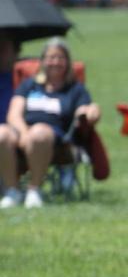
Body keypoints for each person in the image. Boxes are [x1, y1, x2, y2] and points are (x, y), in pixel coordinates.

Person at [1, 38, 100, 209]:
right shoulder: (29, 85)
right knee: (1, 133)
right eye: (50, 57)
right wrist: (24, 133)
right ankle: (12, 190)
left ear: (68, 62)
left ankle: (34, 190)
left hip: (56, 139)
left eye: (60, 58)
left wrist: (92, 111)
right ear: (42, 61)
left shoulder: (75, 89)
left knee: (39, 133)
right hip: (22, 132)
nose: (55, 62)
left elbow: (85, 110)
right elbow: (14, 114)